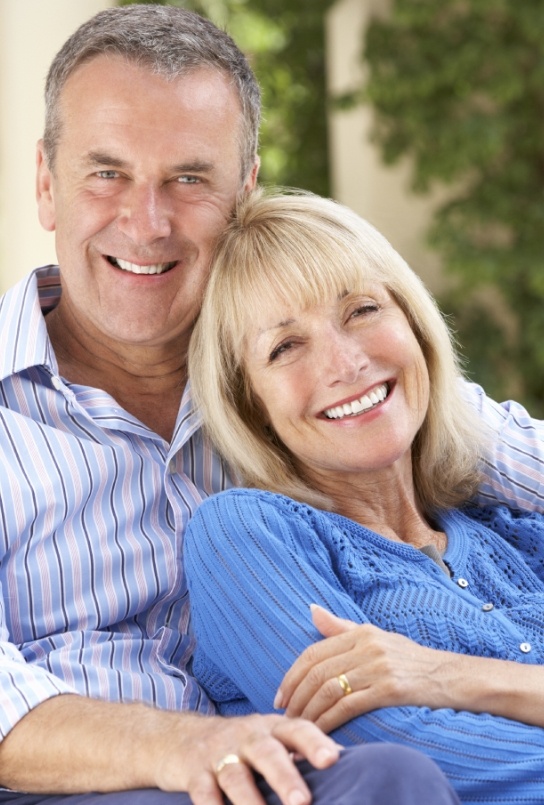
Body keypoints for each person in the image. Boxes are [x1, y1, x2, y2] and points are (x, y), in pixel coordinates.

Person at [0, 4, 466, 804]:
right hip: (74, 786)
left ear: (244, 191)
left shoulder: (303, 377)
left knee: (396, 777)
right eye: (106, 172)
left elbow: (477, 435)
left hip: (305, 774)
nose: (146, 224)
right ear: (47, 182)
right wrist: (181, 745)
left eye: (188, 179)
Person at [184, 187, 544, 803]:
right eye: (285, 347)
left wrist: (448, 676)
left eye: (362, 310)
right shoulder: (245, 536)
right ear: (253, 406)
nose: (345, 363)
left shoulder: (510, 528)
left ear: (414, 325)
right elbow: (392, 754)